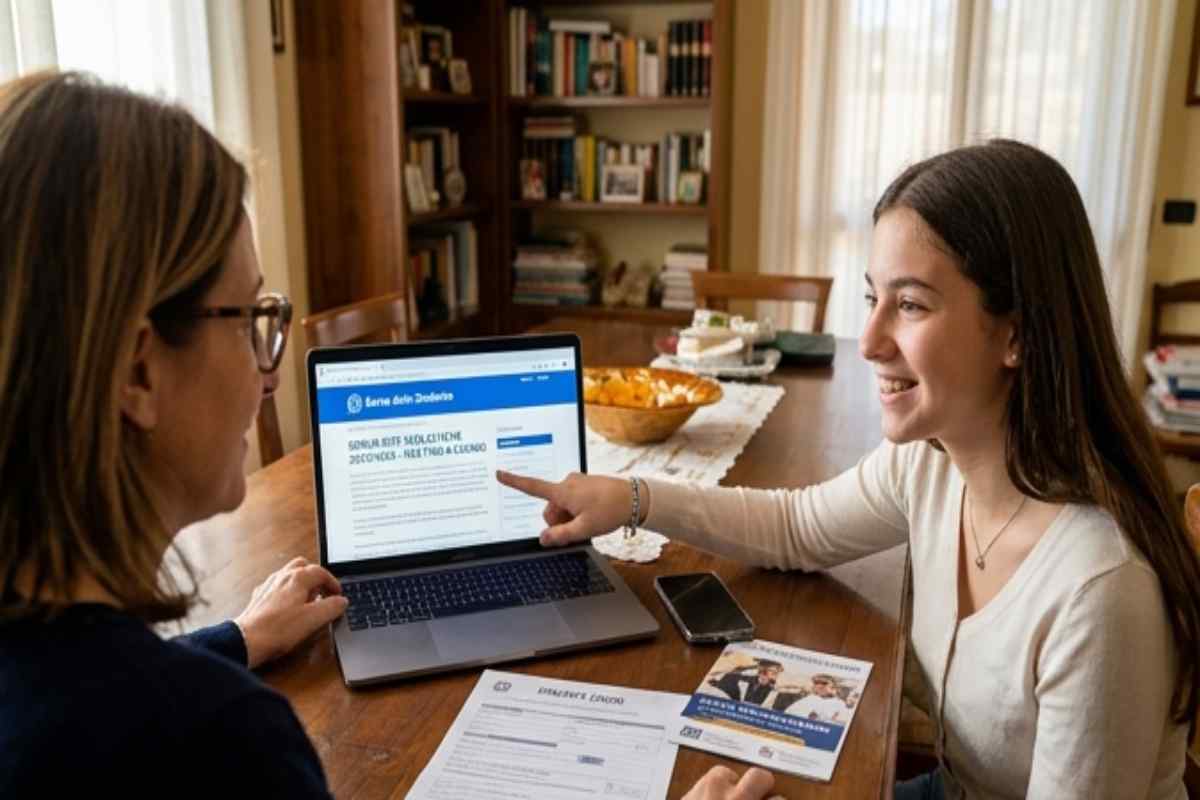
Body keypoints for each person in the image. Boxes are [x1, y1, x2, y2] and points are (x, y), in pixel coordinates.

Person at [0, 71, 773, 800]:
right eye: (250, 321)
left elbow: (78, 693)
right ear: (137, 372)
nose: (267, 377)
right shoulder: (223, 744)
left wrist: (234, 639)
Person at [500, 139, 1200, 799]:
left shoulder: (1101, 594)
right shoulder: (930, 466)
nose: (867, 342)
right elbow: (796, 526)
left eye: (911, 304)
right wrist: (632, 497)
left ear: (1015, 333)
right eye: (873, 298)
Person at [709, 659, 784, 705]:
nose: (767, 675)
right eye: (773, 672)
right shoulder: (742, 679)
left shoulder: (777, 688)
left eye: (775, 673)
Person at [779, 675, 848, 723]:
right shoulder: (810, 698)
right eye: (816, 683)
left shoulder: (838, 703)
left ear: (833, 687)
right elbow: (788, 712)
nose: (819, 685)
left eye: (824, 683)